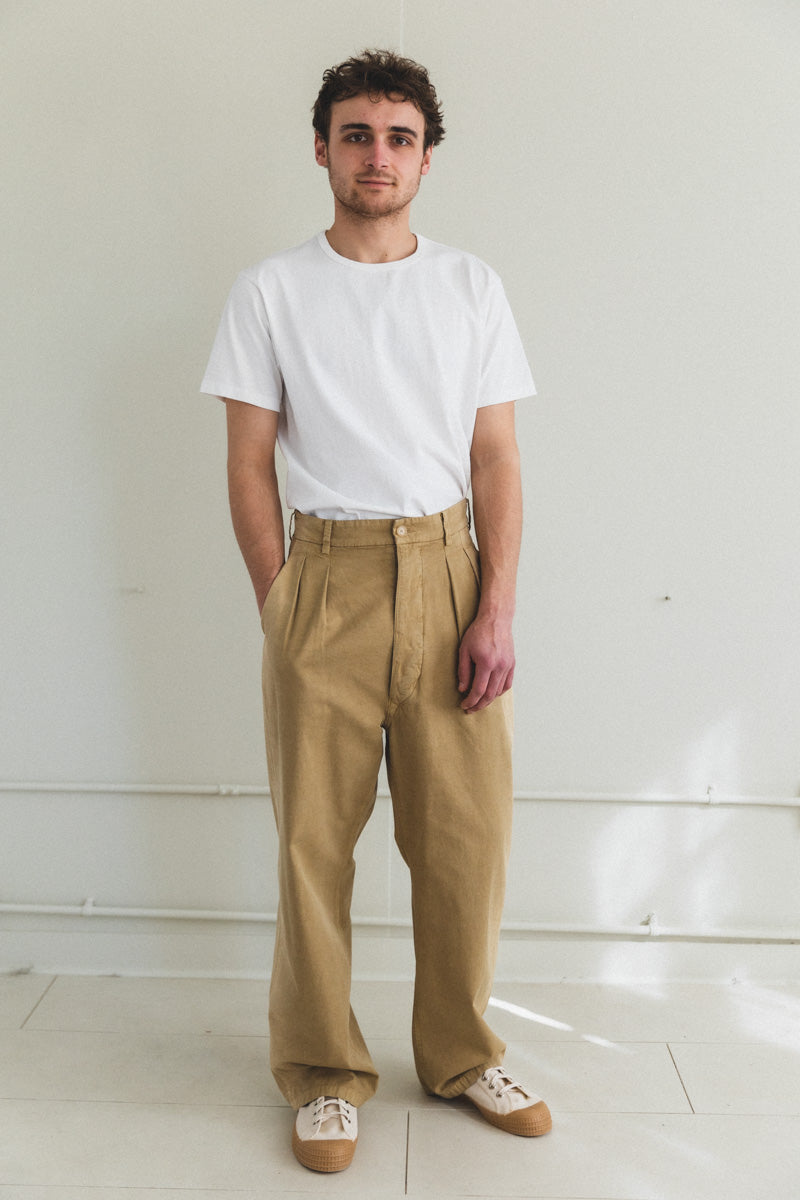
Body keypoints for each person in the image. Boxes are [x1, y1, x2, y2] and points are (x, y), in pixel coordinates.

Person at [201, 48, 551, 1173]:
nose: (377, 155)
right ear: (322, 149)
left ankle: (460, 1054)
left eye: (399, 137)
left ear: (426, 158)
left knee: (465, 840)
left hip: (447, 571)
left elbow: (495, 457)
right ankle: (321, 1072)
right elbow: (248, 461)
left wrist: (495, 607)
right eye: (356, 134)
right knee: (314, 844)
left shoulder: (470, 287)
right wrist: (281, 601)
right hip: (326, 576)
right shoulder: (271, 290)